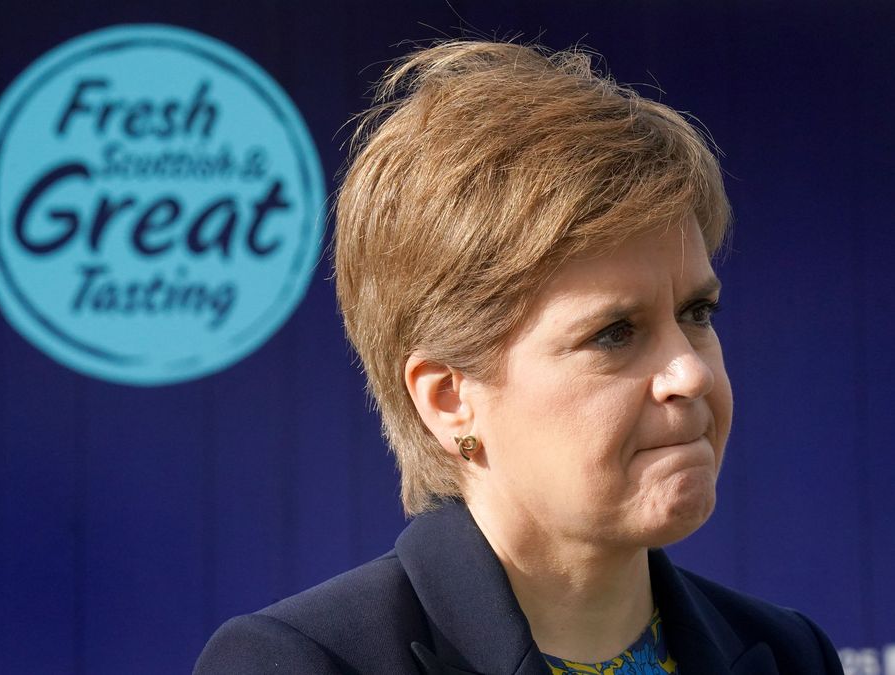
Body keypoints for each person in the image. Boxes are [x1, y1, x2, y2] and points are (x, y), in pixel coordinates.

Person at [194, 40, 843, 675]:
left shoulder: (789, 653)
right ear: (449, 397)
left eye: (696, 314)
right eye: (615, 332)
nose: (691, 371)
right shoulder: (304, 661)